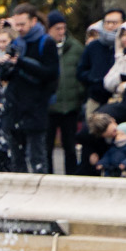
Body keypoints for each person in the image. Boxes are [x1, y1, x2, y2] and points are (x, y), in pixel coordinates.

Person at [0, 3, 59, 174]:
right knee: (16, 156)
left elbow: (51, 74)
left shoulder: (46, 43)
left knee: (36, 155)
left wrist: (19, 63)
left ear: (33, 21)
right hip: (14, 106)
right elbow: (5, 75)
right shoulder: (16, 42)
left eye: (22, 24)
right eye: (16, 25)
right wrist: (3, 65)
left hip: (36, 107)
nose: (19, 28)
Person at [46, 13, 86, 174]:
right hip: (50, 105)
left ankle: (71, 176)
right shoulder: (45, 46)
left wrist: (79, 93)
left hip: (71, 104)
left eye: (63, 28)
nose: (61, 32)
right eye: (57, 28)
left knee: (70, 145)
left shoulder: (76, 48)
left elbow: (81, 72)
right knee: (46, 145)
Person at [79, 6, 126, 107]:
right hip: (96, 98)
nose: (110, 26)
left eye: (114, 23)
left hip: (121, 99)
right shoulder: (93, 46)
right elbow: (81, 71)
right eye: (107, 22)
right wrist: (93, 78)